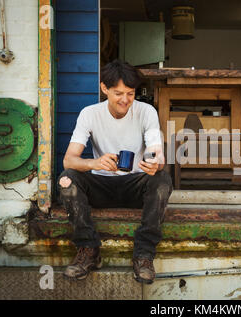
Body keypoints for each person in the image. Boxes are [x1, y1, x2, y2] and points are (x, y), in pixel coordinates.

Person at [57, 60, 173, 284]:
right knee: (66, 180)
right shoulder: (89, 114)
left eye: (130, 93)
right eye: (118, 93)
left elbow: (156, 152)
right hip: (101, 186)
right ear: (104, 89)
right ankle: (88, 250)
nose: (125, 100)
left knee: (162, 179)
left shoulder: (146, 111)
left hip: (135, 187)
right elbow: (68, 161)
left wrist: (155, 162)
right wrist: (95, 163)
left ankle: (144, 255)